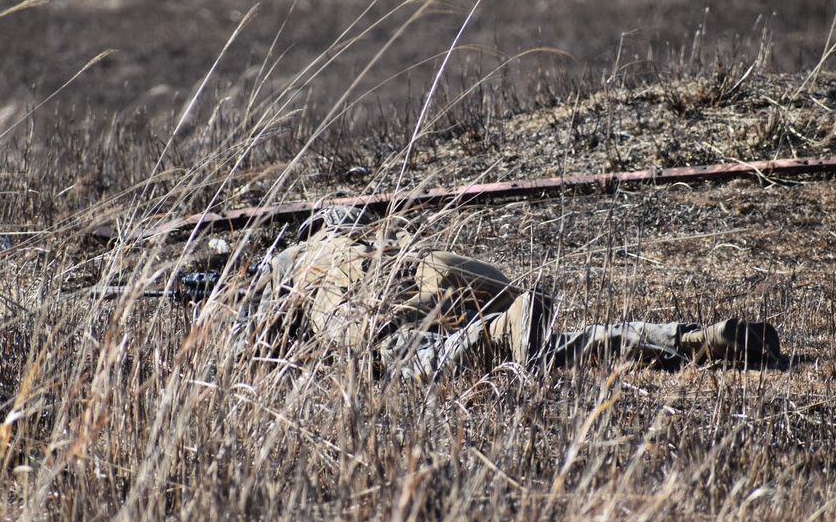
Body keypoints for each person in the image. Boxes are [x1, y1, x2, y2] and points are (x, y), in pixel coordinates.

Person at [238, 205, 780, 381]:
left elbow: (252, 338)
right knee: (554, 349)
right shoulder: (397, 235)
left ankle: (501, 331)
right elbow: (484, 278)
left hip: (382, 311)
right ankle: (692, 340)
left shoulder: (303, 256)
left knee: (405, 358)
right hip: (463, 285)